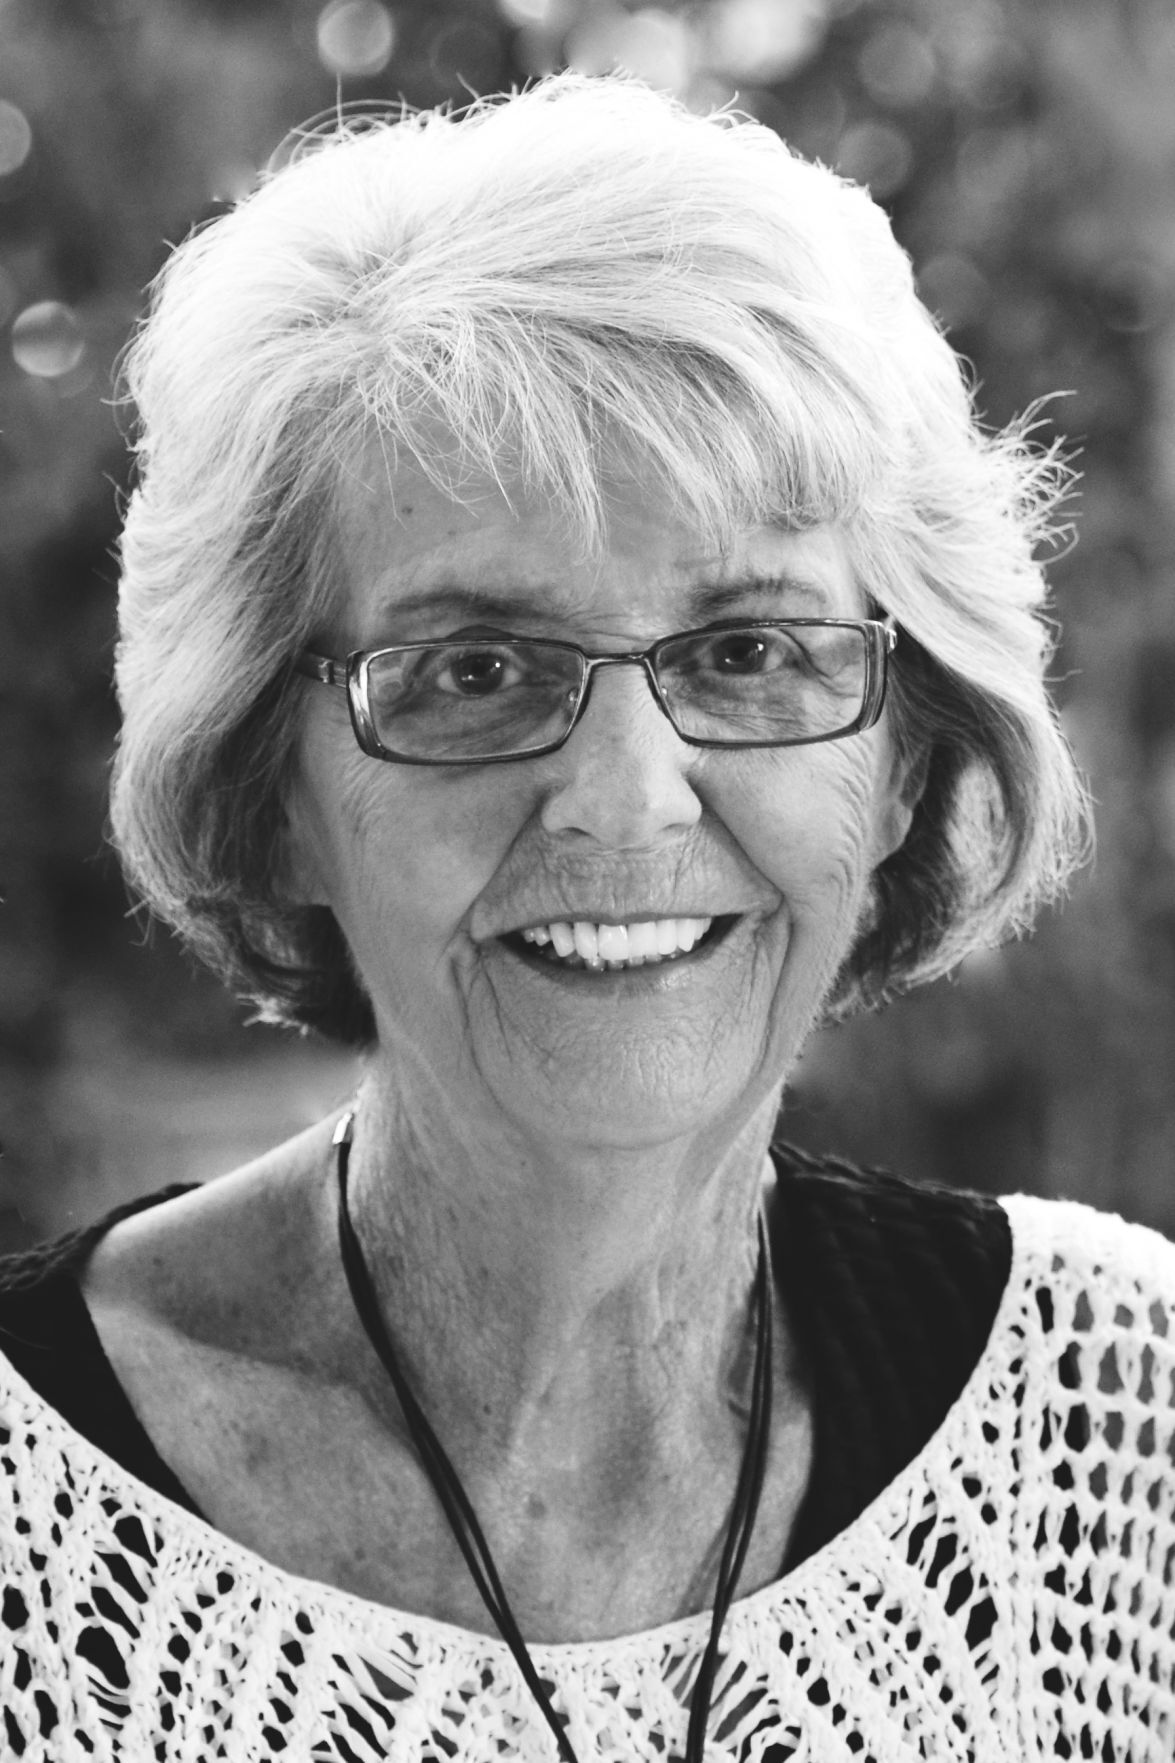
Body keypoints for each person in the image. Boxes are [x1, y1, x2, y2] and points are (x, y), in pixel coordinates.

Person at [0, 70, 1171, 1762]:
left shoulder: (1117, 1426)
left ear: (908, 764)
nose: (627, 799)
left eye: (750, 650)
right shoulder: (33, 1536)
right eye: (477, 668)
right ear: (274, 791)